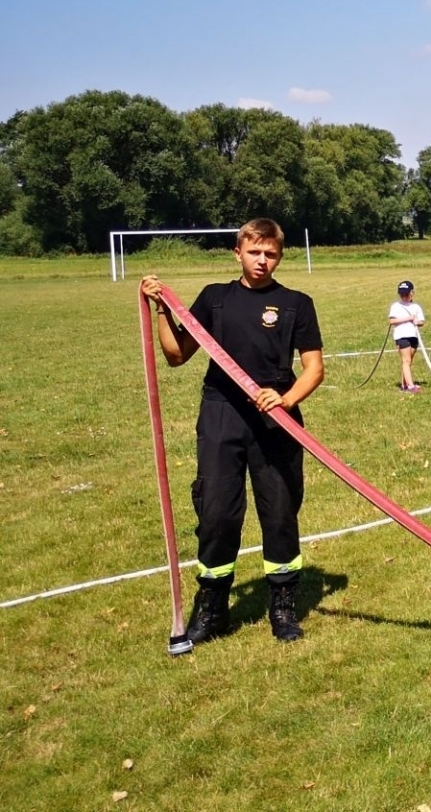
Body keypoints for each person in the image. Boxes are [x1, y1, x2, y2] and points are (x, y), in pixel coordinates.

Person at [140, 218, 324, 644]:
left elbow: (314, 368)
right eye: (254, 252)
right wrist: (162, 310)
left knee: (279, 513)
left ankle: (282, 606)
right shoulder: (214, 299)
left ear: (280, 256)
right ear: (237, 253)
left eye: (271, 254)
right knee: (217, 512)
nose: (262, 261)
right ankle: (213, 608)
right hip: (221, 415)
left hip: (276, 418)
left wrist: (287, 399)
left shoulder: (297, 303)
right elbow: (175, 355)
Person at [388, 280, 426, 392]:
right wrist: (408, 319)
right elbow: (392, 321)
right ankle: (411, 387)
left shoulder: (416, 307)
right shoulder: (396, 306)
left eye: (406, 294)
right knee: (406, 361)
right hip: (402, 336)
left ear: (412, 293)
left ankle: (404, 385)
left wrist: (417, 322)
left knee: (408, 361)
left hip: (413, 336)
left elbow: (422, 322)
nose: (404, 296)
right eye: (402, 294)